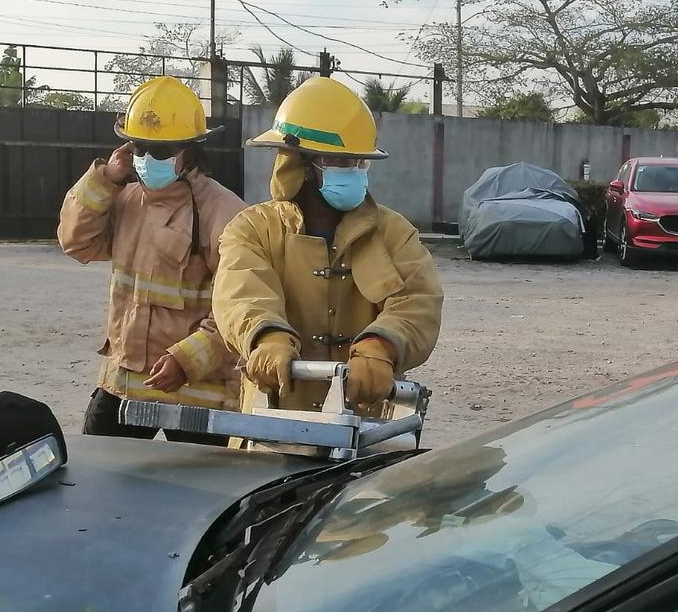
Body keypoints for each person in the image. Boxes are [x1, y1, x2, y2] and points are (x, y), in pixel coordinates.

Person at [212, 77, 443, 418]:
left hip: (363, 425)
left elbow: (417, 301)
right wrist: (268, 338)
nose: (355, 172)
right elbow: (241, 294)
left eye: (359, 163)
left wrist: (382, 345)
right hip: (274, 420)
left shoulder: (394, 233)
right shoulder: (253, 230)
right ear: (299, 165)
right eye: (341, 162)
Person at [58, 76, 244, 445]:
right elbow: (76, 242)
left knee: (199, 498)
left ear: (189, 150)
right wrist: (105, 179)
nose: (146, 160)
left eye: (160, 151)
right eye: (139, 148)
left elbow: (240, 308)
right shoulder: (125, 199)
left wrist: (189, 360)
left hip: (196, 394)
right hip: (122, 385)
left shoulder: (224, 212)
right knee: (99, 481)